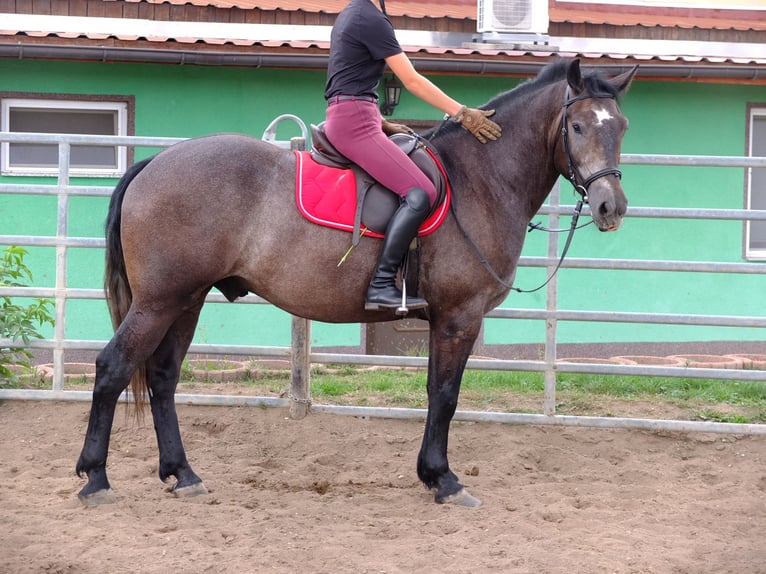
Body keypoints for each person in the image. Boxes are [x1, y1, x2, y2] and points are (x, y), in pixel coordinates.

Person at [324, 0, 502, 312]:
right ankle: (381, 283)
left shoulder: (351, 15)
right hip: (355, 122)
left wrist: (380, 120)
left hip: (358, 115)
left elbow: (350, 78)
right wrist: (462, 113)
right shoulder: (370, 19)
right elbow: (412, 80)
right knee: (420, 193)